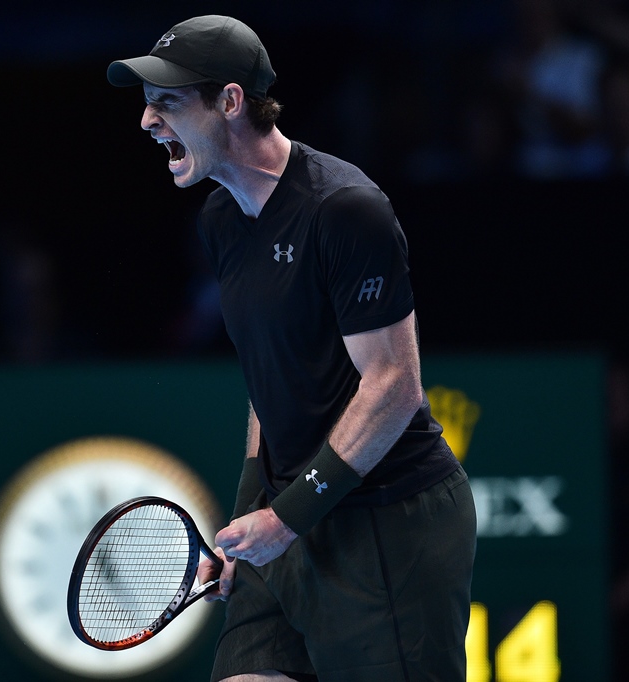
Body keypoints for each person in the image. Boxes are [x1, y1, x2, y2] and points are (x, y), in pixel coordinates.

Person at [107, 16, 477, 682]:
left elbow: (393, 385)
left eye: (166, 101)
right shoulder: (221, 220)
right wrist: (256, 522)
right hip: (289, 523)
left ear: (230, 101)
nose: (146, 120)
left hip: (387, 526)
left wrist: (288, 517)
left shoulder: (344, 209)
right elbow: (266, 383)